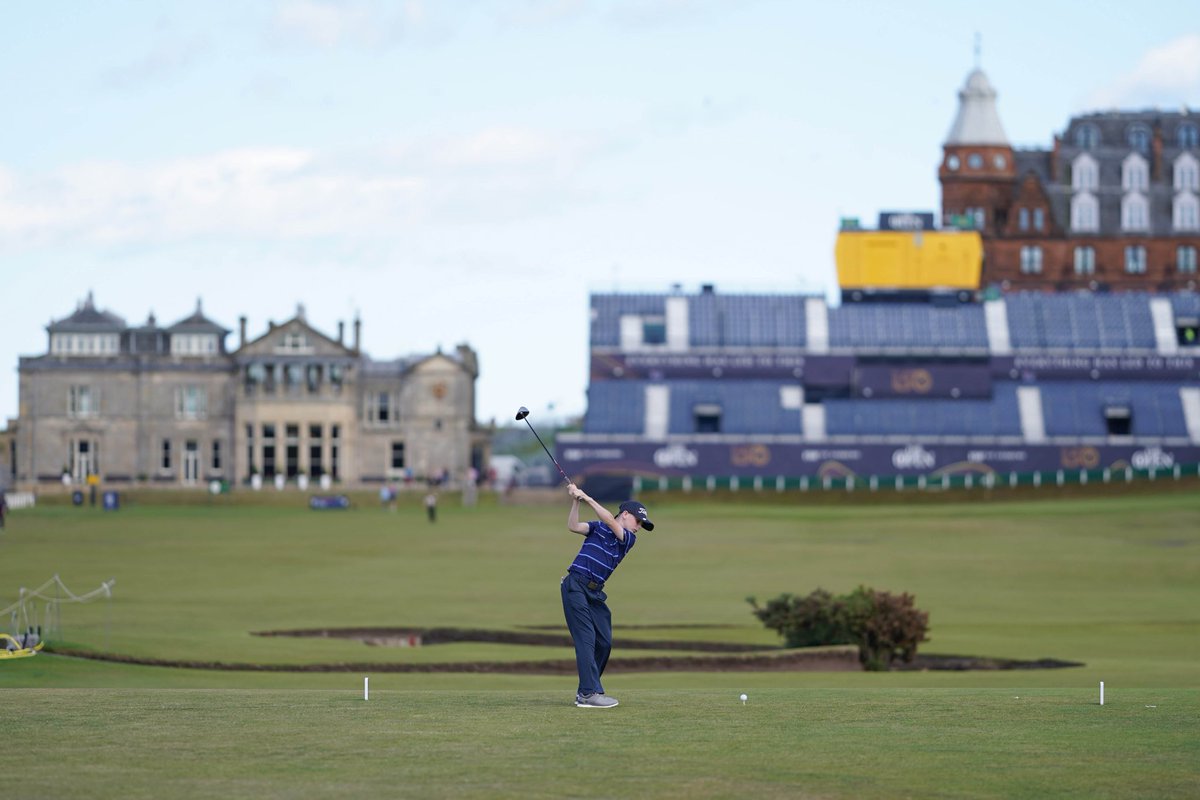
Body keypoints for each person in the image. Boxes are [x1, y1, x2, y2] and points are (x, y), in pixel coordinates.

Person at [561, 482, 654, 709]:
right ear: (626, 514)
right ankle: (588, 693)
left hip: (594, 592)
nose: (639, 527)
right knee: (586, 638)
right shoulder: (597, 528)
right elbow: (573, 526)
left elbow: (610, 521)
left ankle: (587, 689)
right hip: (575, 586)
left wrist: (587, 497)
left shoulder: (628, 539)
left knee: (604, 641)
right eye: (638, 521)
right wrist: (576, 501)